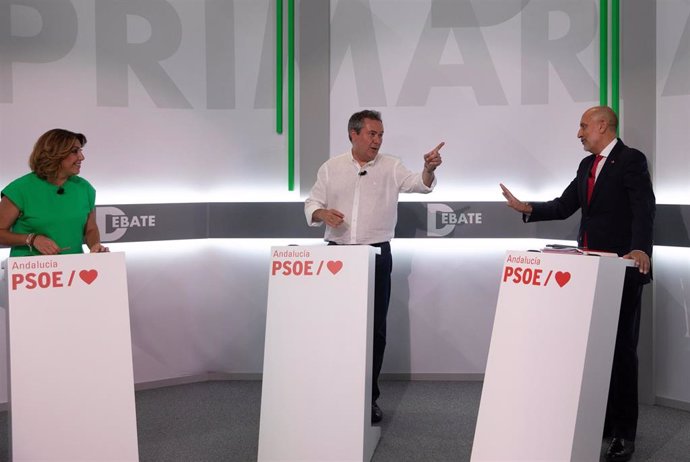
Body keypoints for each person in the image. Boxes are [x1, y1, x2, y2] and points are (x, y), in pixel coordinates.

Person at [500, 106, 655, 462]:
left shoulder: (631, 160)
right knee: (592, 350)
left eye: (584, 126)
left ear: (603, 126)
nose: (579, 133)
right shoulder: (587, 166)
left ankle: (623, 434)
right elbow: (565, 205)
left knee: (620, 353)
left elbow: (645, 207)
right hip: (588, 273)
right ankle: (598, 421)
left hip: (622, 270)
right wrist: (528, 207)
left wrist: (639, 249)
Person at [305, 109, 443, 423]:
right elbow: (312, 203)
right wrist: (322, 215)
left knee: (375, 330)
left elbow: (419, 185)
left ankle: (369, 399)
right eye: (372, 134)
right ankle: (334, 395)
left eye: (380, 135)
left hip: (377, 253)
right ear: (353, 134)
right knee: (337, 329)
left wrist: (428, 169)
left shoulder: (391, 166)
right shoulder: (332, 168)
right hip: (337, 255)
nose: (377, 141)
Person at [0, 128, 109, 256]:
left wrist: (95, 245)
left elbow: (91, 229)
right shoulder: (19, 189)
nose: (82, 157)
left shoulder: (84, 188)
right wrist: (32, 239)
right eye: (75, 151)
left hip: (74, 270)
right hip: (30, 271)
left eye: (80, 151)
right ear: (54, 153)